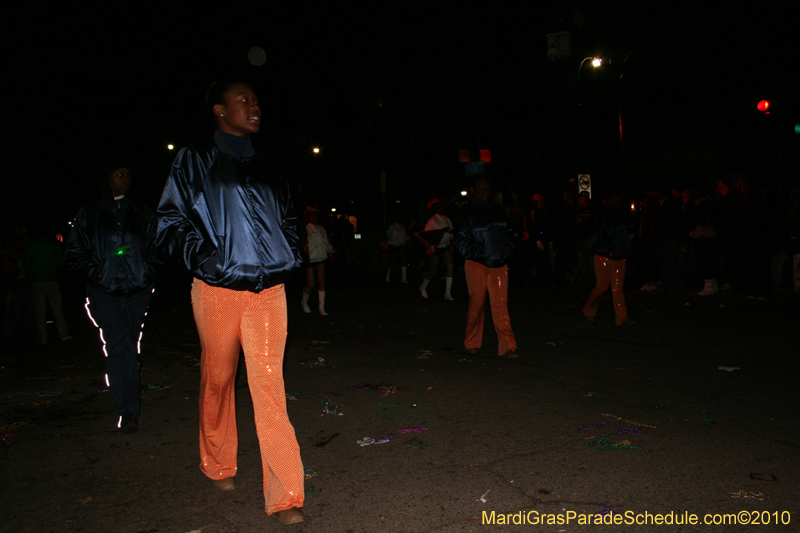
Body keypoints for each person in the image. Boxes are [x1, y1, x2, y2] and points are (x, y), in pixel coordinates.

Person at [156, 81, 305, 525]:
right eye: (245, 101)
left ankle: (286, 494)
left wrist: (289, 252)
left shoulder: (270, 163)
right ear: (220, 110)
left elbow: (289, 218)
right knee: (219, 379)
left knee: (269, 386)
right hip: (217, 289)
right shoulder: (194, 159)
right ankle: (218, 462)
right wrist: (208, 260)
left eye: (257, 101)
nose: (255, 107)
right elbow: (168, 223)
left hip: (269, 291)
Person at [66, 158, 158, 434]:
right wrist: (99, 275)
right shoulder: (90, 213)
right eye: (120, 174)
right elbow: (74, 254)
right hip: (105, 292)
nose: (125, 180)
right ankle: (128, 412)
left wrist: (147, 273)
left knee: (128, 345)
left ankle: (128, 391)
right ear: (107, 178)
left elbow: (157, 245)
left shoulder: (140, 211)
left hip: (137, 290)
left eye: (128, 175)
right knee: (119, 346)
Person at [455, 177, 517, 357]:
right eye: (481, 187)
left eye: (488, 188)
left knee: (500, 305)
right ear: (472, 190)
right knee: (477, 303)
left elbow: (508, 233)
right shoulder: (466, 213)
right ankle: (472, 341)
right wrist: (484, 254)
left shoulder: (497, 211)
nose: (485, 190)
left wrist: (506, 251)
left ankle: (508, 345)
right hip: (477, 264)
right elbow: (461, 243)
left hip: (499, 264)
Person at [582, 204, 633, 326]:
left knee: (616, 288)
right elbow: (594, 243)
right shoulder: (606, 223)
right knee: (602, 287)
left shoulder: (613, 223)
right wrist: (609, 251)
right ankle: (589, 307)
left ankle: (621, 316)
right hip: (607, 256)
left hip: (616, 256)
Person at [23, 224, 72, 344]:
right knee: (57, 308)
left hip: (36, 281)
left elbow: (26, 267)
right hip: (52, 280)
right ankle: (63, 334)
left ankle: (42, 337)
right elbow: (61, 265)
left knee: (39, 310)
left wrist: (31, 277)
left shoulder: (30, 247)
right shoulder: (53, 246)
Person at [419, 199, 455, 300]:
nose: (442, 208)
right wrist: (441, 232)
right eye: (440, 206)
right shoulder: (432, 220)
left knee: (450, 267)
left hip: (445, 246)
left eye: (442, 206)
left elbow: (451, 234)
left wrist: (451, 234)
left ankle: (447, 293)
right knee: (433, 270)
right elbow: (428, 235)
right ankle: (423, 286)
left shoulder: (447, 219)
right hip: (436, 247)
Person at [301, 207, 333, 315]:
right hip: (310, 258)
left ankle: (321, 307)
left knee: (322, 282)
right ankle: (304, 302)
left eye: (316, 216)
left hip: (321, 257)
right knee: (310, 283)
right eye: (312, 216)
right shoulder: (305, 228)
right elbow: (302, 243)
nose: (314, 218)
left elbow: (325, 242)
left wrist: (331, 250)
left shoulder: (321, 228)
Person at [385, 214, 409, 283]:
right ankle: (387, 276)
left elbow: (404, 236)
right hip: (393, 246)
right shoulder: (391, 227)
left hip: (401, 245)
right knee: (393, 261)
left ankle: (404, 278)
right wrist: (387, 231)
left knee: (403, 260)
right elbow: (388, 236)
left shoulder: (402, 227)